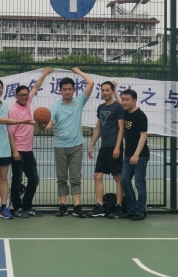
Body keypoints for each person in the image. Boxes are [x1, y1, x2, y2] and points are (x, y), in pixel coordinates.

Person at [0, 78, 37, 220]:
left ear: (2, 90)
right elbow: (1, 121)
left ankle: (4, 208)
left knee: (4, 178)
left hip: (5, 148)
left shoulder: (5, 106)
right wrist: (23, 121)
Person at [45, 67, 94, 218]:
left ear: (74, 90)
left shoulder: (79, 101)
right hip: (60, 146)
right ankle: (63, 205)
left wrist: (79, 72)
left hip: (76, 145)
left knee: (75, 177)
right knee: (61, 178)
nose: (67, 91)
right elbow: (49, 123)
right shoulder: (55, 106)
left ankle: (77, 206)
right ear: (60, 90)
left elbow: (91, 83)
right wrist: (44, 124)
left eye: (70, 89)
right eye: (64, 89)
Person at [8, 67, 53, 218]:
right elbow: (10, 133)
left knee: (34, 180)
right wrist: (15, 151)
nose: (25, 97)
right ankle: (16, 207)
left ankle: (27, 206)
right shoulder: (13, 111)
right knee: (17, 181)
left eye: (26, 95)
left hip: (28, 151)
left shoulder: (28, 103)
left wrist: (45, 74)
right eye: (21, 95)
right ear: (16, 96)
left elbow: (36, 87)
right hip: (18, 151)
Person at [87, 80, 124, 218]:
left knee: (118, 177)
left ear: (112, 91)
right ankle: (100, 206)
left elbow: (121, 128)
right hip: (104, 146)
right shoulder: (101, 107)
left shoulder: (118, 107)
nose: (104, 92)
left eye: (107, 90)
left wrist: (117, 147)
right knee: (97, 175)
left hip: (114, 146)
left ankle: (119, 207)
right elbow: (98, 128)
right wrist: (91, 145)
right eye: (103, 90)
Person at [119, 88, 150, 221]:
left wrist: (136, 155)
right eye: (123, 99)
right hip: (128, 155)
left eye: (127, 100)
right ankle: (131, 209)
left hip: (140, 156)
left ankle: (140, 210)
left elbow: (143, 136)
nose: (124, 102)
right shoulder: (125, 113)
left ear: (134, 100)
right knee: (124, 181)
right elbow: (118, 99)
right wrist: (114, 89)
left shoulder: (140, 116)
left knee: (139, 184)